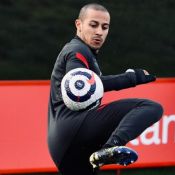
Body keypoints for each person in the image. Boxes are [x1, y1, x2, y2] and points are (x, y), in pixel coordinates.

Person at [48, 3, 163, 175]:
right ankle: (112, 147)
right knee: (150, 107)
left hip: (62, 146)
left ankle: (105, 152)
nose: (99, 32)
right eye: (93, 25)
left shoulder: (82, 52)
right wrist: (132, 78)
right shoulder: (76, 51)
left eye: (105, 27)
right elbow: (80, 87)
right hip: (75, 129)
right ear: (78, 25)